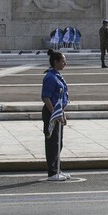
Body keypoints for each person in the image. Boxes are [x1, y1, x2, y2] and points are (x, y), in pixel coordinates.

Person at [41, 49, 70, 181]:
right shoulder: (50, 77)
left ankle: (57, 169)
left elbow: (60, 97)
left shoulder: (57, 75)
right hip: (51, 113)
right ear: (56, 61)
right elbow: (46, 97)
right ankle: (52, 172)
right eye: (63, 60)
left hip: (57, 112)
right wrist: (55, 114)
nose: (65, 63)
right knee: (52, 142)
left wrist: (62, 114)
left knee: (59, 142)